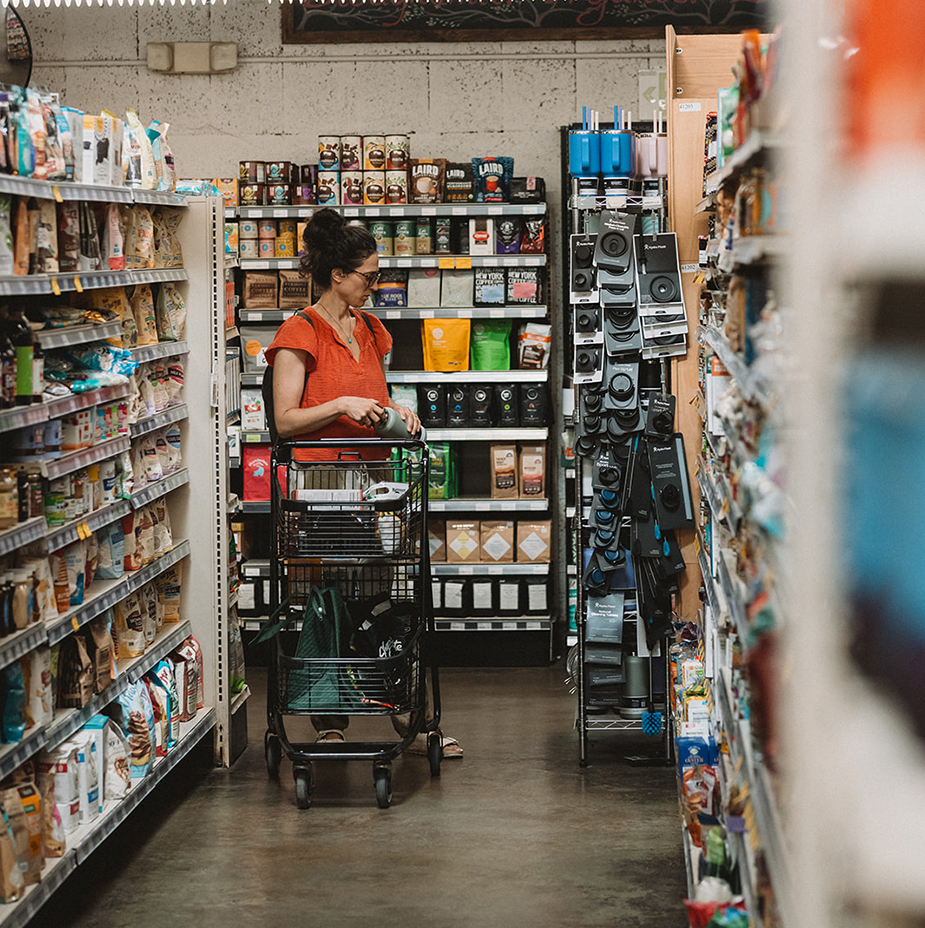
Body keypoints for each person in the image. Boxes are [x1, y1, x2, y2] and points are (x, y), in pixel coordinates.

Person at [264, 207, 462, 759]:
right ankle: (330, 719)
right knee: (328, 597)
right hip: (322, 482)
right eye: (369, 276)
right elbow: (284, 421)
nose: (377, 285)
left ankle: (407, 710)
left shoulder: (371, 331)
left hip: (375, 481)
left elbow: (372, 392)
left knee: (386, 597)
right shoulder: (298, 333)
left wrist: (396, 409)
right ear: (337, 276)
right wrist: (341, 404)